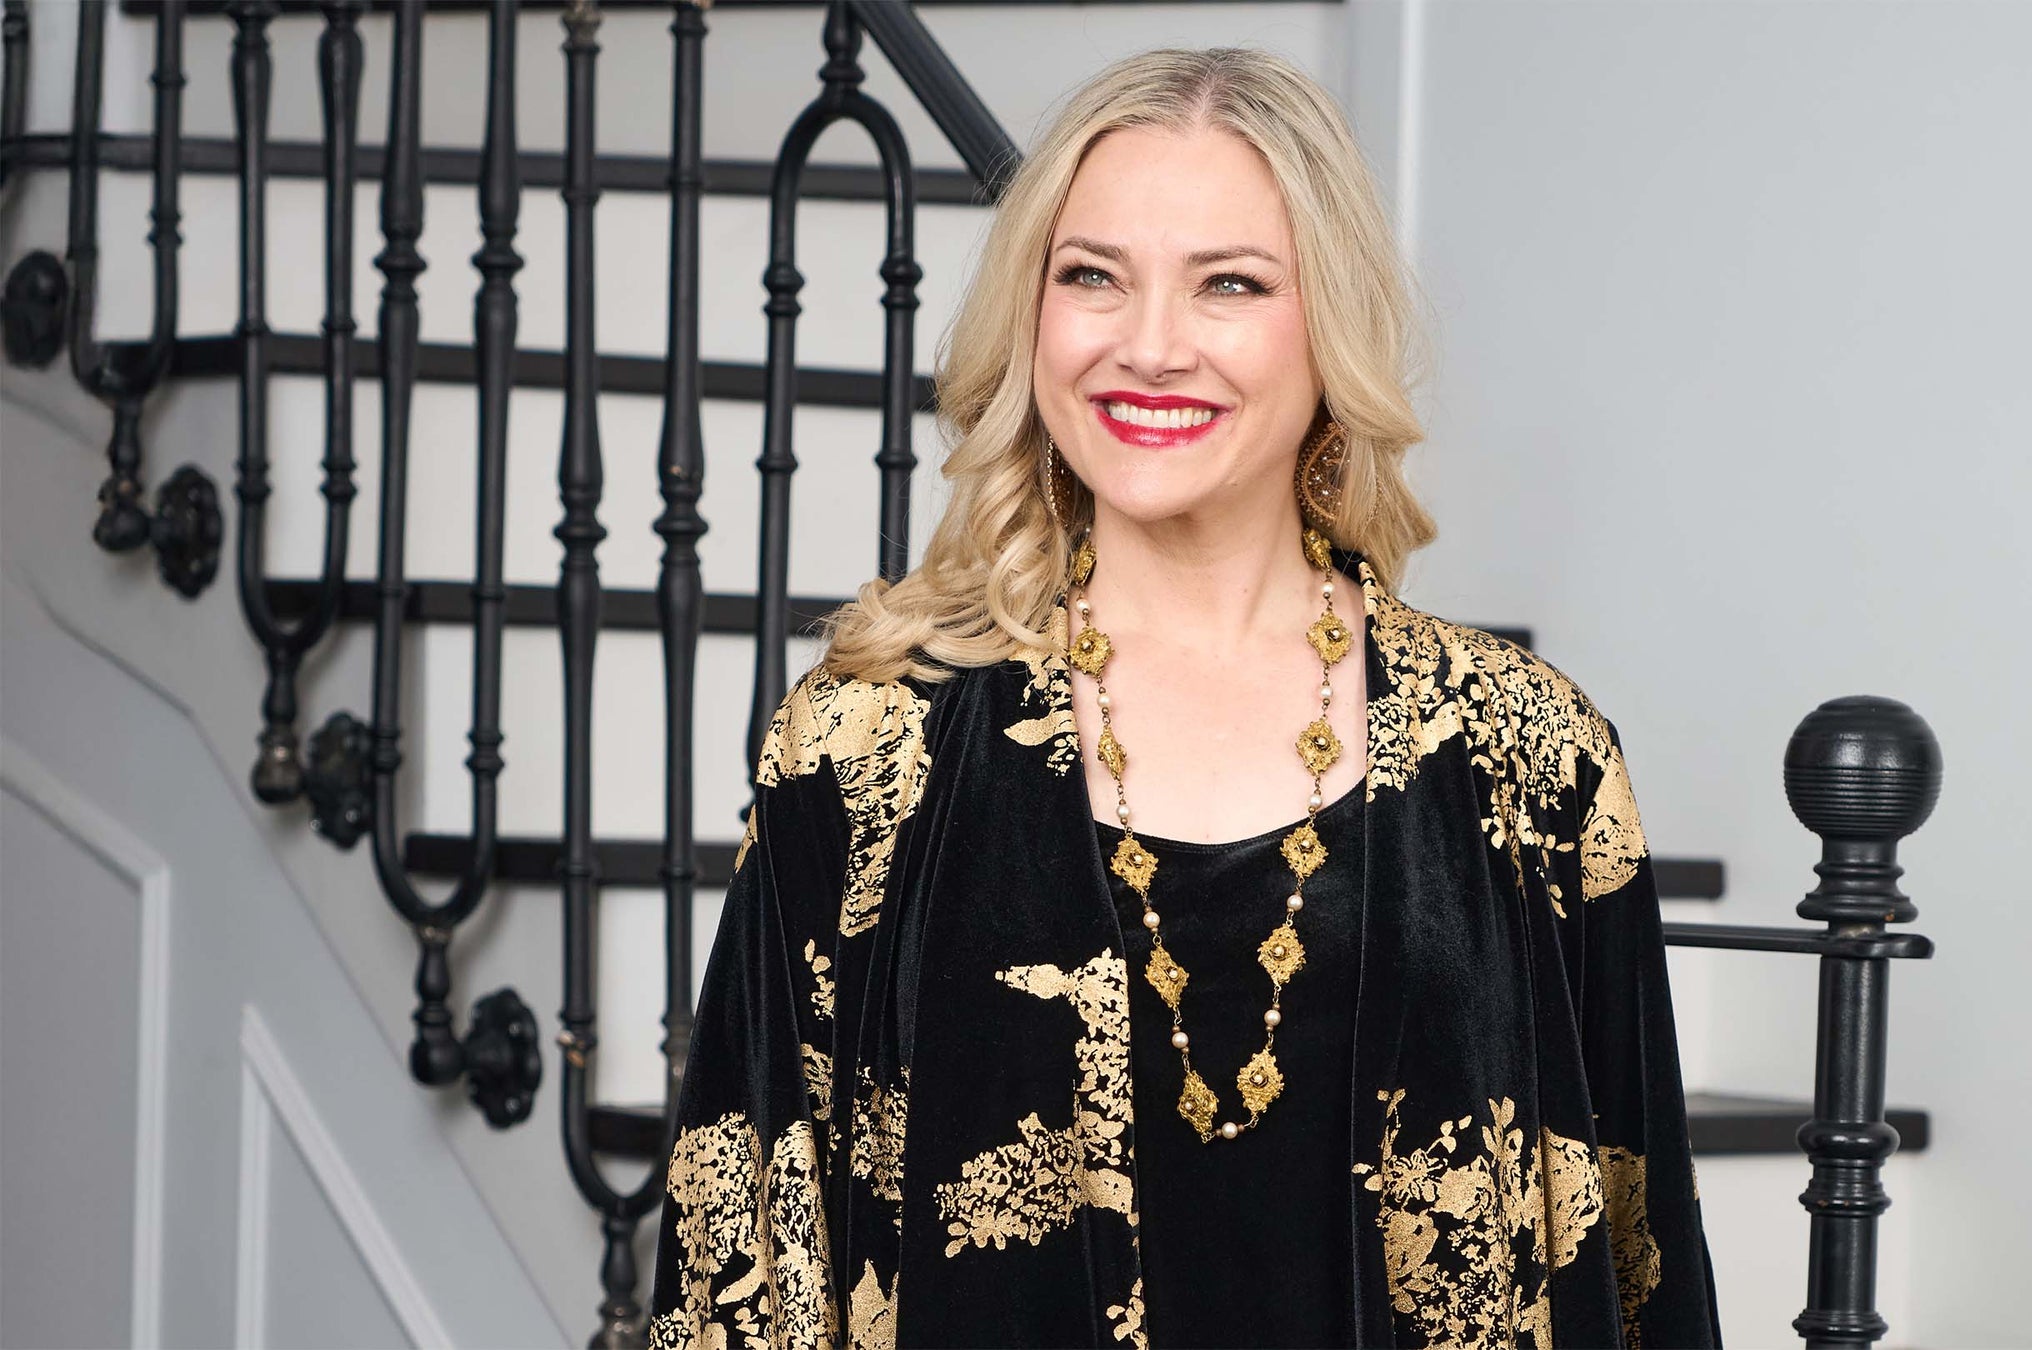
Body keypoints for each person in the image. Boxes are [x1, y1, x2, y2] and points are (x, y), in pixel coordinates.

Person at [647, 46, 1719, 1350]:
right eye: (1091, 275)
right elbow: (741, 1254)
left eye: (1230, 283)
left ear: (1328, 326)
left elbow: (1642, 1256)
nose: (1148, 346)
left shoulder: (1526, 752)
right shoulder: (870, 740)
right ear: (1031, 314)